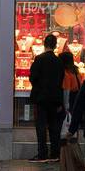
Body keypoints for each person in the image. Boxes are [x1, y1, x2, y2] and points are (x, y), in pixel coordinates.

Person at [28, 33, 65, 162]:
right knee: (54, 126)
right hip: (55, 98)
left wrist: (39, 87)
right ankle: (55, 153)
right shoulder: (59, 61)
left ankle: (42, 153)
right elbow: (61, 80)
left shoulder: (39, 59)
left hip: (41, 97)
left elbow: (32, 77)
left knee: (41, 126)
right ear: (55, 45)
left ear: (44, 44)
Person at [60, 49, 82, 116]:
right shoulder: (75, 71)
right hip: (77, 97)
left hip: (70, 98)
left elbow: (66, 91)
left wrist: (66, 106)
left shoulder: (66, 73)